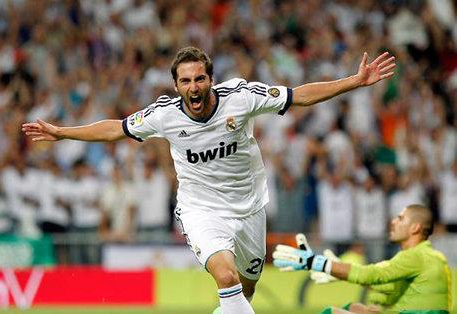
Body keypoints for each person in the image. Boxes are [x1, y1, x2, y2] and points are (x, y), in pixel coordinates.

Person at [22, 46, 395, 314]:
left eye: (200, 78)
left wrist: (354, 82)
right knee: (225, 274)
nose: (194, 86)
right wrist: (63, 132)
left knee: (245, 289)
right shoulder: (164, 115)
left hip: (249, 208)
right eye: (185, 80)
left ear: (211, 79)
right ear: (176, 84)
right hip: (201, 209)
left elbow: (300, 96)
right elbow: (114, 130)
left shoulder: (242, 97)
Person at [273, 204, 452, 313]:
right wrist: (338, 271)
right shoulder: (424, 257)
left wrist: (318, 263)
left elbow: (371, 274)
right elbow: (385, 284)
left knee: (330, 312)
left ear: (415, 228)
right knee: (355, 308)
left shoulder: (416, 256)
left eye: (400, 219)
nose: (393, 222)